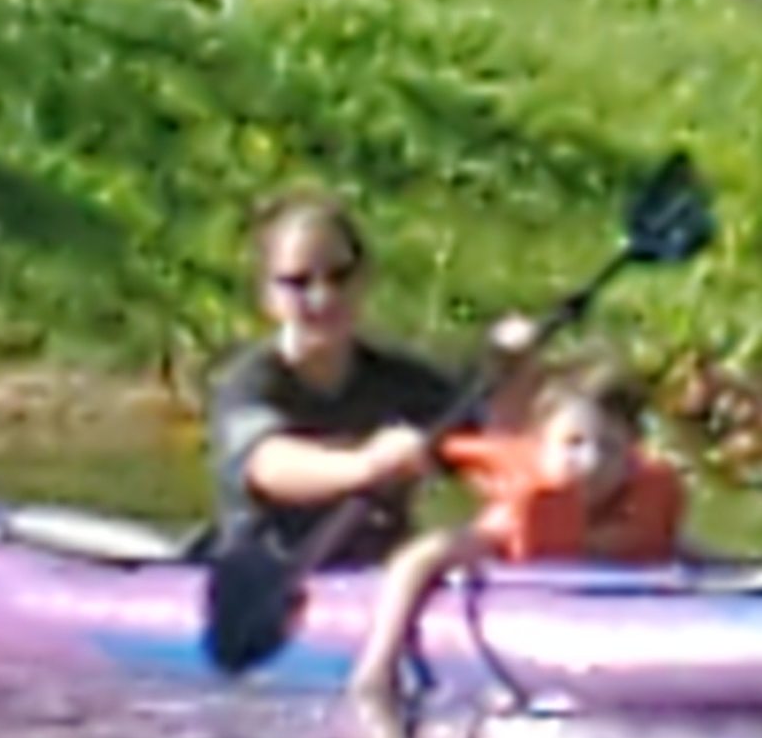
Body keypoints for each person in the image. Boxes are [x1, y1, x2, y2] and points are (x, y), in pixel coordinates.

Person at [350, 359, 684, 705]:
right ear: (540, 447)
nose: (591, 463)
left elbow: (685, 552)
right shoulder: (512, 521)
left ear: (632, 456)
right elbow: (416, 560)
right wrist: (380, 660)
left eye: (609, 448)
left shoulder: (637, 512)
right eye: (574, 444)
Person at [207, 189, 469, 572]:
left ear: (363, 278)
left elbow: (485, 436)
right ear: (267, 296)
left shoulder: (402, 381)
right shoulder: (250, 384)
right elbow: (269, 466)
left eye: (339, 276)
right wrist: (367, 466)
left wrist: (516, 372)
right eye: (298, 283)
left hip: (374, 575)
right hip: (268, 579)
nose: (323, 296)